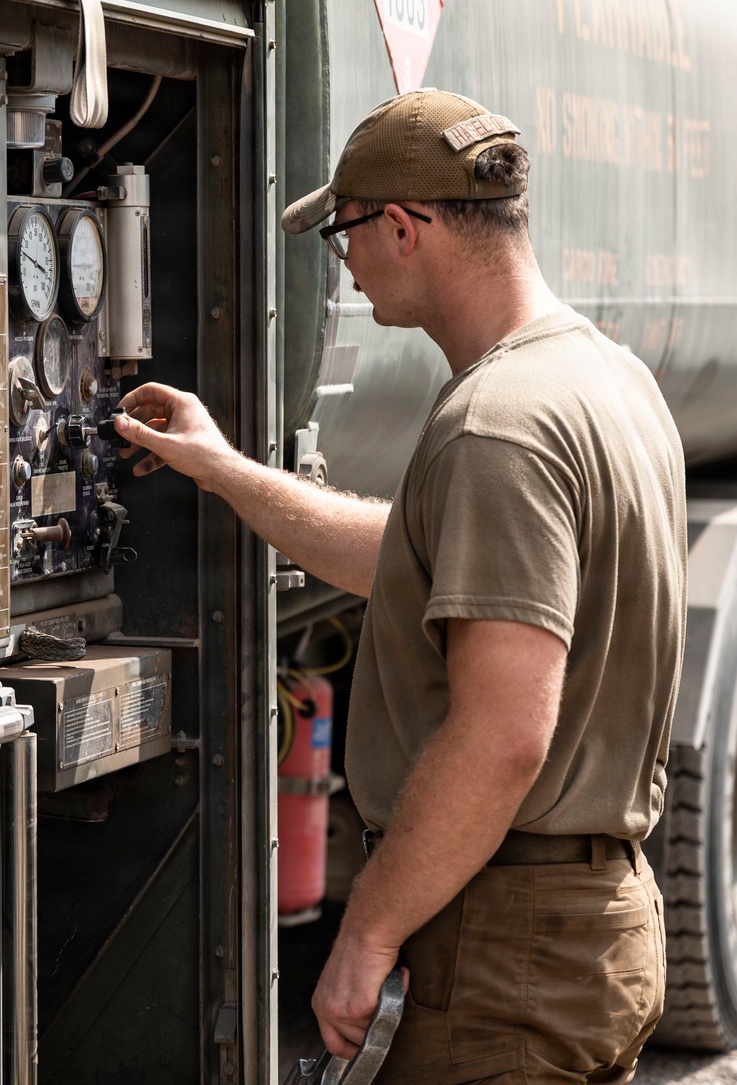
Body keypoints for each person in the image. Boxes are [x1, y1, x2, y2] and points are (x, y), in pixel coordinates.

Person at [113, 88, 687, 1084]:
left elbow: (502, 733)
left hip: (499, 946)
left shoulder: (496, 423)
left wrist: (366, 929)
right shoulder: (608, 381)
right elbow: (420, 562)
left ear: (403, 227)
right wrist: (224, 469)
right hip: (589, 928)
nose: (346, 266)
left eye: (344, 238)